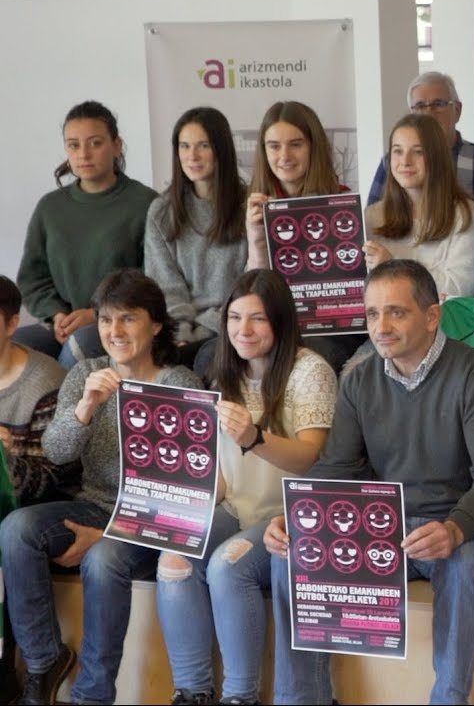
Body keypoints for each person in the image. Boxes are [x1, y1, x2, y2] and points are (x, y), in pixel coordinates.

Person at [263, 259, 474, 705]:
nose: (381, 326)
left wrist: (455, 528)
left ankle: (449, 699)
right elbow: (337, 467)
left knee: (464, 565)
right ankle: (304, 698)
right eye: (372, 314)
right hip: (391, 527)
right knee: (292, 553)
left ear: (432, 315)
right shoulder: (359, 378)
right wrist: (297, 517)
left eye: (396, 312)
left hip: (470, 525)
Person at [0, 269, 202, 706]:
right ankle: (42, 662)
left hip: (155, 519)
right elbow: (56, 452)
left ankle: (92, 695)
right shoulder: (87, 372)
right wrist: (86, 407)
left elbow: (186, 492)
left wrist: (111, 534)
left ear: (156, 324)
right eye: (107, 320)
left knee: (104, 557)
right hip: (94, 503)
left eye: (128, 319)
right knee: (17, 528)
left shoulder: (179, 383)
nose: (115, 331)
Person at [157, 269, 335, 705]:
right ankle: (193, 691)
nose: (243, 330)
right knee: (174, 557)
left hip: (290, 514)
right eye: (235, 318)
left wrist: (255, 437)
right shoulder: (224, 375)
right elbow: (221, 471)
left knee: (226, 566)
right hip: (238, 506)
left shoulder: (309, 371)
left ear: (280, 322)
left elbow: (310, 456)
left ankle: (240, 696)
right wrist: (174, 505)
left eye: (257, 319)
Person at [65, 107, 249, 373]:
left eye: (203, 146)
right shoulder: (162, 211)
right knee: (81, 344)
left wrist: (205, 329)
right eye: (184, 146)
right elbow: (165, 285)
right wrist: (180, 332)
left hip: (230, 326)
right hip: (172, 328)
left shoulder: (247, 207)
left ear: (221, 150)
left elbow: (248, 284)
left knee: (207, 360)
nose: (192, 156)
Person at [16, 101, 156, 363]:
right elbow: (32, 279)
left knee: (80, 346)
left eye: (95, 143)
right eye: (73, 145)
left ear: (117, 146)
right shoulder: (50, 207)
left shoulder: (146, 204)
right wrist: (56, 314)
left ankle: (69, 405)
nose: (83, 154)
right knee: (12, 347)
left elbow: (153, 280)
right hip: (61, 325)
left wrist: (96, 314)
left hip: (118, 325)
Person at [238, 100, 361, 375]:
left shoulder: (341, 202)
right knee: (213, 354)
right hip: (273, 323)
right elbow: (254, 290)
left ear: (313, 147)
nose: (284, 156)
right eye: (274, 146)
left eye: (296, 144)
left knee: (307, 356)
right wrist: (257, 238)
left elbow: (349, 284)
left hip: (331, 328)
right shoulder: (253, 207)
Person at [363, 113, 474, 298]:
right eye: (397, 151)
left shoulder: (467, 215)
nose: (405, 161)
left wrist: (393, 266)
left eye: (418, 151)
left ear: (437, 158)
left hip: (446, 325)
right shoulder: (371, 216)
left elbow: (459, 289)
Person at [366, 72, 474, 218]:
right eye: (420, 106)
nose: (429, 113)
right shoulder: (393, 162)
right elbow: (373, 220)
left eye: (438, 104)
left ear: (457, 110)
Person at [0, 275, 69, 505]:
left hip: (24, 510)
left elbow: (50, 484)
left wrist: (6, 459)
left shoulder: (46, 384)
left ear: (12, 324)